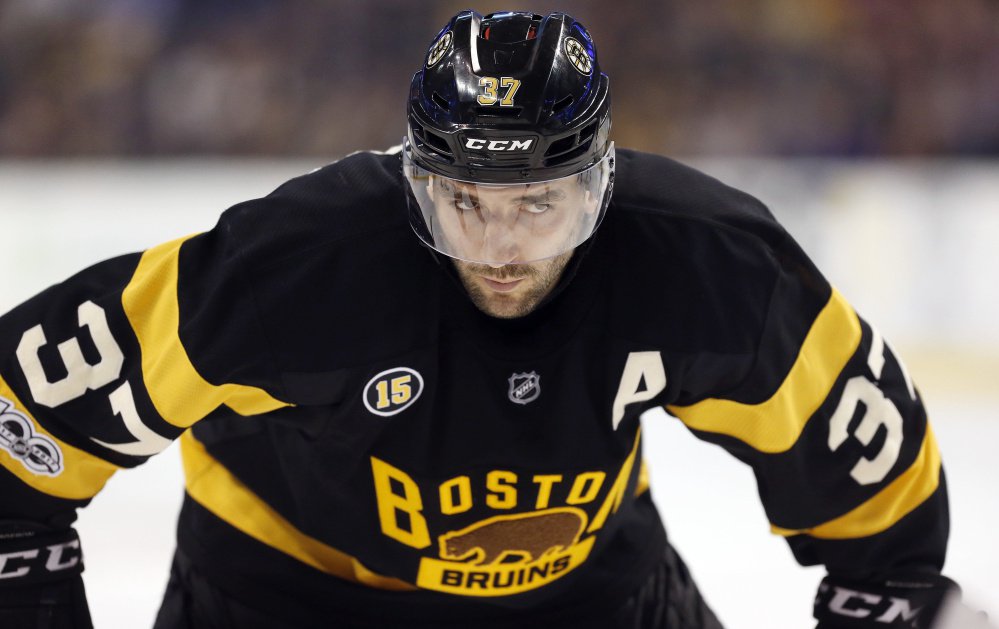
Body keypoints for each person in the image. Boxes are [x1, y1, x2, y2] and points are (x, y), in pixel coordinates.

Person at [0, 9, 969, 629]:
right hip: (285, 594)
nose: (500, 244)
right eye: (465, 200)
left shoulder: (709, 262)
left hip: (587, 591)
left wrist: (892, 599)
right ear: (415, 179)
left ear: (600, 183)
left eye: (539, 202)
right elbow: (23, 423)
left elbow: (875, 498)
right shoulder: (295, 265)